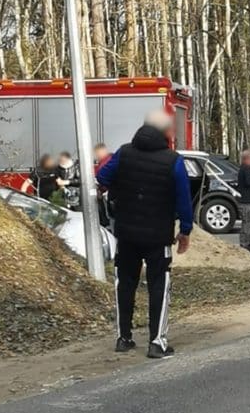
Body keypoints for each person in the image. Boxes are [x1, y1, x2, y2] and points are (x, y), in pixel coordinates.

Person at [95, 110, 194, 359]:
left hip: (126, 233)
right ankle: (156, 342)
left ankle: (124, 338)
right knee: (159, 285)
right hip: (158, 235)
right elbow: (183, 198)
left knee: (125, 283)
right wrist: (185, 230)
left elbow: (102, 176)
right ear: (165, 132)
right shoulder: (173, 161)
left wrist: (120, 189)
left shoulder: (124, 153)